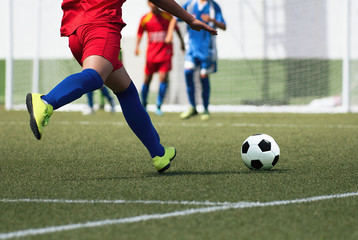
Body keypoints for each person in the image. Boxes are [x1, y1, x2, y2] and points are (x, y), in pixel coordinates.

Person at [25, 0, 217, 173]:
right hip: (101, 26)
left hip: (75, 31)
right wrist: (190, 19)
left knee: (126, 91)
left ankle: (158, 153)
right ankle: (46, 101)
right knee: (94, 76)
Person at [167, 0, 226, 120]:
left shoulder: (214, 7)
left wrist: (212, 20)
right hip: (191, 49)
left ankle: (205, 108)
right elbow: (174, 17)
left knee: (203, 77)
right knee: (188, 72)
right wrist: (169, 34)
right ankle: (192, 106)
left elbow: (224, 26)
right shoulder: (189, 4)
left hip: (207, 50)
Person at [135, 1, 185, 116]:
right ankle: (143, 104)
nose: (154, 4)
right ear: (148, 3)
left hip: (165, 53)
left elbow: (176, 29)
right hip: (151, 54)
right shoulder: (145, 18)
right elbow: (139, 33)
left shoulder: (167, 16)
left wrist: (182, 43)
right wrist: (137, 47)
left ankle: (159, 105)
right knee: (147, 79)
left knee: (163, 78)